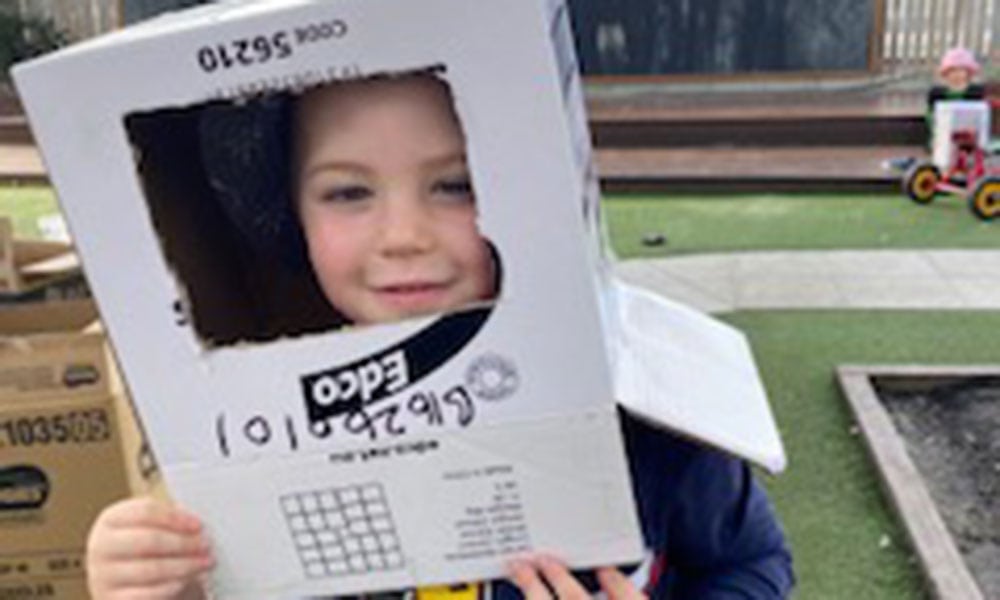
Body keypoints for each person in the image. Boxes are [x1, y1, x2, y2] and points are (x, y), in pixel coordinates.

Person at [85, 73, 794, 600]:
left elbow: (756, 566)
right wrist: (166, 583)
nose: (404, 237)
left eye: (457, 183)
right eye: (347, 192)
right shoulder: (262, 431)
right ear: (295, 217)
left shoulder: (645, 418)